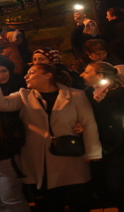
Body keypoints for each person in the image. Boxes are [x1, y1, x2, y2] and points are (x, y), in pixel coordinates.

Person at [0, 64, 101, 212]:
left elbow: (88, 123)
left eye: (32, 72)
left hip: (69, 155)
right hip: (41, 159)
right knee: (51, 200)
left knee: (79, 198)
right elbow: (3, 104)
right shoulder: (23, 95)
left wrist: (92, 152)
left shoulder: (76, 95)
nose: (26, 76)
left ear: (48, 75)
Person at [80, 62, 124, 212]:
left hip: (117, 146)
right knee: (105, 185)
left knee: (116, 185)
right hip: (98, 145)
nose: (82, 74)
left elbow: (115, 120)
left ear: (100, 76)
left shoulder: (121, 94)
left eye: (87, 71)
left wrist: (102, 103)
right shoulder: (87, 93)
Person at [0, 56, 29, 212]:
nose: (1, 75)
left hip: (9, 152)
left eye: (4, 71)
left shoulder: (19, 89)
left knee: (11, 198)